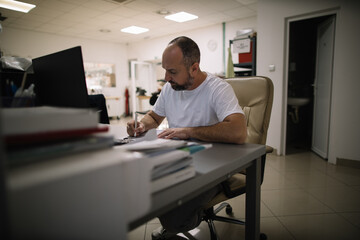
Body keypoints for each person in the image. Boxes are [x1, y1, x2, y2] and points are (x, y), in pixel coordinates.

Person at [127, 36, 247, 239]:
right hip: (179, 160)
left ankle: (189, 219)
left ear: (194, 68)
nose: (166, 77)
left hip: (212, 167)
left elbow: (238, 132)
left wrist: (189, 131)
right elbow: (154, 117)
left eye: (172, 71)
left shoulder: (217, 89)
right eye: (165, 70)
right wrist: (141, 125)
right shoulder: (170, 88)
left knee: (173, 218)